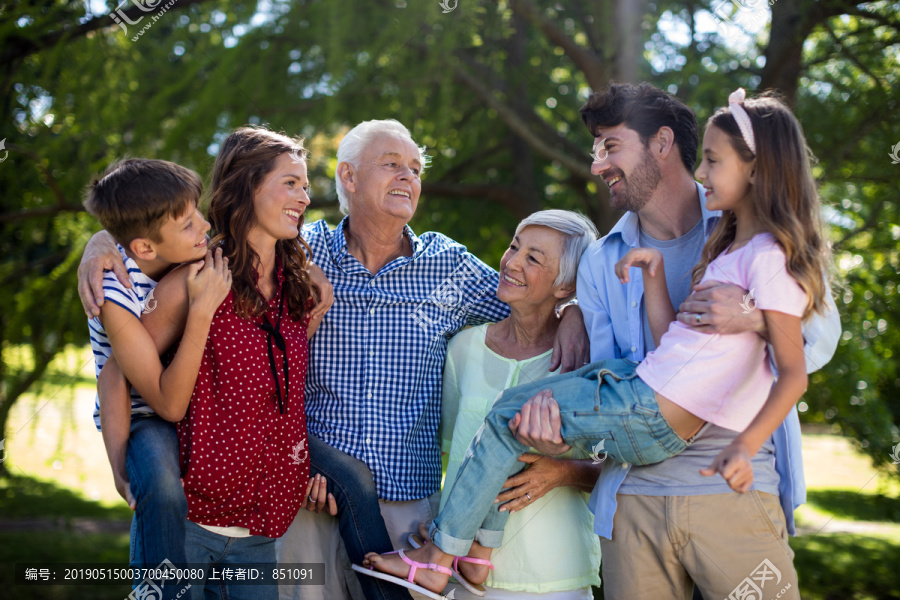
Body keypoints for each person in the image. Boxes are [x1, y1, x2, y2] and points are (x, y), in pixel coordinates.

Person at [78, 119, 589, 600]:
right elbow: (170, 230)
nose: (408, 176)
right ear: (348, 175)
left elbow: (533, 291)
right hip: (300, 497)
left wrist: (573, 311)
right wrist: (103, 242)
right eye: (392, 163)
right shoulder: (300, 251)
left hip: (404, 506)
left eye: (416, 168)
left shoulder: (447, 265)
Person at [362, 89, 833, 600]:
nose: (596, 166)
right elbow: (633, 374)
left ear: (662, 143)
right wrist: (574, 314)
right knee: (519, 415)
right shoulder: (598, 262)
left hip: (731, 489)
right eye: (595, 151)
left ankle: (444, 556)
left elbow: (817, 339)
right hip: (634, 498)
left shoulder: (746, 229)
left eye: (610, 147)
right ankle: (469, 552)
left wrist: (750, 316)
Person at [106, 127, 321, 600]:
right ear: (246, 184)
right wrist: (125, 470)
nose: (304, 197)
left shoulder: (301, 287)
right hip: (188, 527)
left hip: (261, 532)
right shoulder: (193, 278)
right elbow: (117, 372)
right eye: (290, 183)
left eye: (306, 185)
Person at [428, 209, 602, 600]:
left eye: (533, 258)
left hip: (555, 577)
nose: (511, 262)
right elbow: (448, 455)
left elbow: (622, 464)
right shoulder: (463, 349)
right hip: (459, 576)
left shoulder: (587, 359)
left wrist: (562, 472)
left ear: (566, 285)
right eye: (513, 247)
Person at [83, 158, 231, 599]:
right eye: (189, 224)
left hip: (194, 404)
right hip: (143, 414)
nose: (204, 226)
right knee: (163, 490)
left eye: (197, 213)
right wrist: (117, 466)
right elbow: (118, 385)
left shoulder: (177, 249)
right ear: (146, 248)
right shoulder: (113, 293)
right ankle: (161, 591)